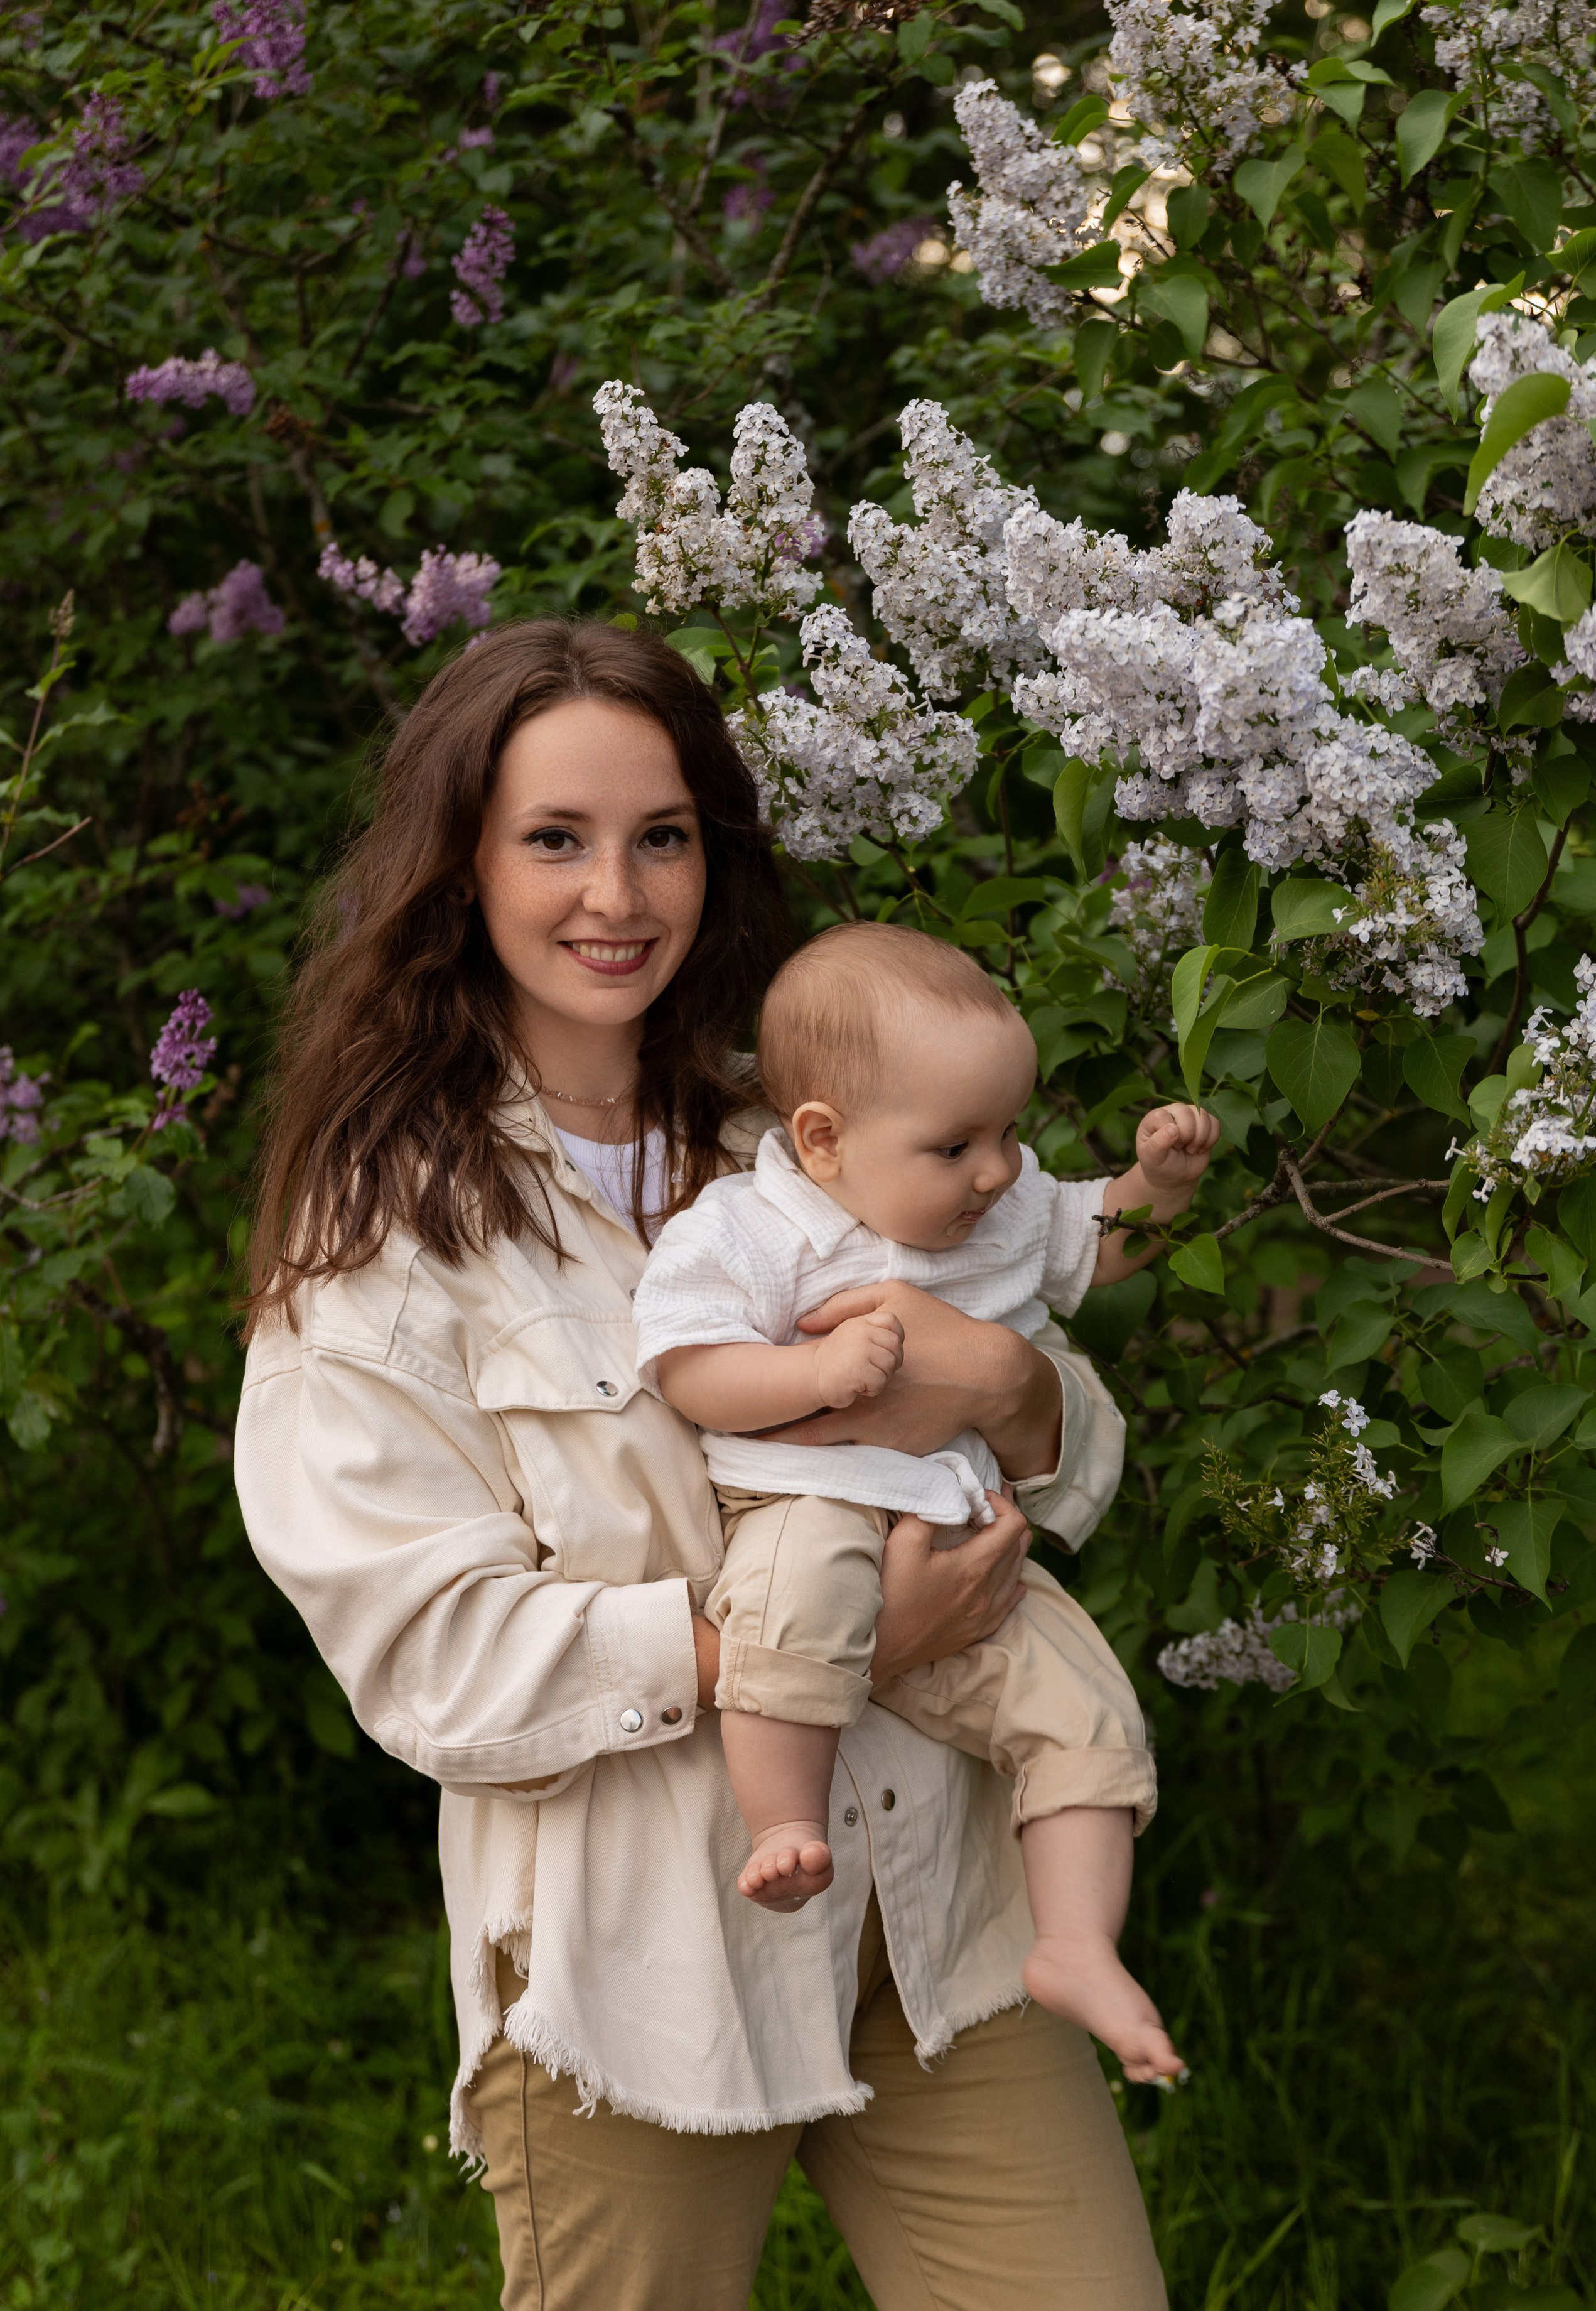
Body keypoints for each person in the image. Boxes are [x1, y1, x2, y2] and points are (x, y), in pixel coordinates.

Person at [235, 617, 1168, 2311]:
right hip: (640, 1965)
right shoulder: (382, 1248)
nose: (618, 893)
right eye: (556, 839)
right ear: (461, 868)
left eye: (660, 836)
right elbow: (427, 1653)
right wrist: (806, 1654)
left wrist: (1010, 1385)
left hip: (936, 1913)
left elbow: (1069, 1451)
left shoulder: (794, 1143)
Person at [634, 921, 1217, 2082]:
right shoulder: (749, 1230)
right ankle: (786, 1824)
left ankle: (1076, 1944)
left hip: (964, 1523)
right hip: (809, 1497)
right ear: (823, 1140)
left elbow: (1098, 1245)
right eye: (958, 1145)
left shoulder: (995, 1206)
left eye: (1009, 1132)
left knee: (1090, 1708)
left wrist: (1156, 1185)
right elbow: (686, 1362)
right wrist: (808, 1376)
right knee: (788, 1614)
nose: (999, 1171)